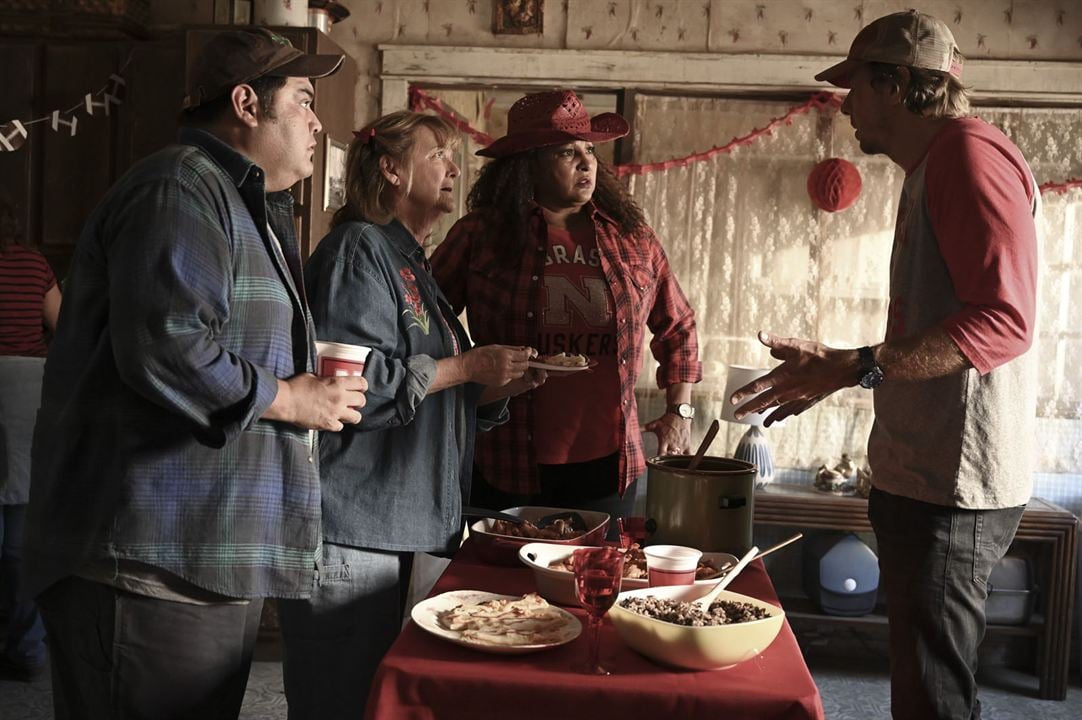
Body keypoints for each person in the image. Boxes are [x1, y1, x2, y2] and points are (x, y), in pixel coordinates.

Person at [23, 28, 367, 719]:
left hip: (198, 559)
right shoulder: (181, 185)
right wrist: (289, 400)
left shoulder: (240, 203)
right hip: (149, 564)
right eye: (303, 99)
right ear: (246, 104)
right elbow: (169, 345)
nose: (318, 119)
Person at [731, 11, 1039, 720]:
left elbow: (1005, 320)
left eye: (855, 88)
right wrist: (849, 367)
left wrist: (857, 363)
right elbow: (947, 325)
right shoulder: (936, 164)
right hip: (926, 474)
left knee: (933, 698)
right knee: (921, 685)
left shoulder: (967, 154)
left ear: (896, 85)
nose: (844, 105)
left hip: (953, 486)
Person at [279, 111, 543, 718]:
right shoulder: (356, 249)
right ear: (391, 170)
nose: (454, 167)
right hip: (352, 529)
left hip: (401, 528)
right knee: (337, 702)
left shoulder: (414, 265)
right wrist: (469, 367)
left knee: (383, 701)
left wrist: (500, 387)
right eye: (437, 154)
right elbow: (347, 387)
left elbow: (432, 396)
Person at [431, 89, 702, 523]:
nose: (587, 162)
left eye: (589, 150)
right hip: (505, 454)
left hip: (608, 462)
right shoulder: (481, 234)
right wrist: (464, 375)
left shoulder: (632, 237)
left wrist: (679, 410)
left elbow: (678, 324)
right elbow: (422, 318)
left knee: (592, 580)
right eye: (566, 152)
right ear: (528, 164)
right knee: (501, 586)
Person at [0, 196, 61, 682]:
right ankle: (28, 648)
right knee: (21, 525)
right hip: (27, 388)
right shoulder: (33, 262)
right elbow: (63, 323)